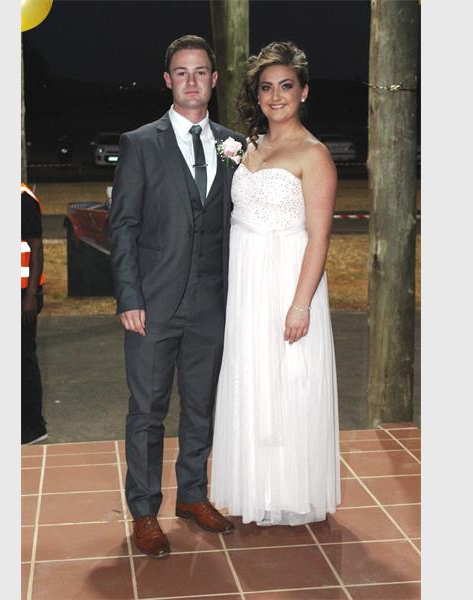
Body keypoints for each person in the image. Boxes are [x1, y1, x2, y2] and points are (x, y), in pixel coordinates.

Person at [109, 35, 247, 558]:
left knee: (200, 404)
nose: (192, 81)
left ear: (214, 79)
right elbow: (123, 225)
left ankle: (192, 494)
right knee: (147, 409)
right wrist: (129, 295)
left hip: (211, 303)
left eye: (201, 71)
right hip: (153, 303)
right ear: (168, 80)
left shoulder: (236, 146)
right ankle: (145, 509)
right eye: (182, 72)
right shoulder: (140, 143)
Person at [210, 41, 341, 526]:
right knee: (252, 379)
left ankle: (290, 489)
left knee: (289, 382)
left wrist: (300, 304)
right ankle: (255, 486)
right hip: (247, 282)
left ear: (304, 92)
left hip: (288, 279)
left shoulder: (314, 154)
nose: (276, 96)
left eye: (286, 86)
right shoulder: (249, 147)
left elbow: (319, 237)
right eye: (266, 87)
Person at [21, 182, 47, 446]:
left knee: (23, 361)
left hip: (22, 297)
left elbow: (36, 247)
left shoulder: (23, 199)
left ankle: (32, 427)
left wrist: (30, 296)